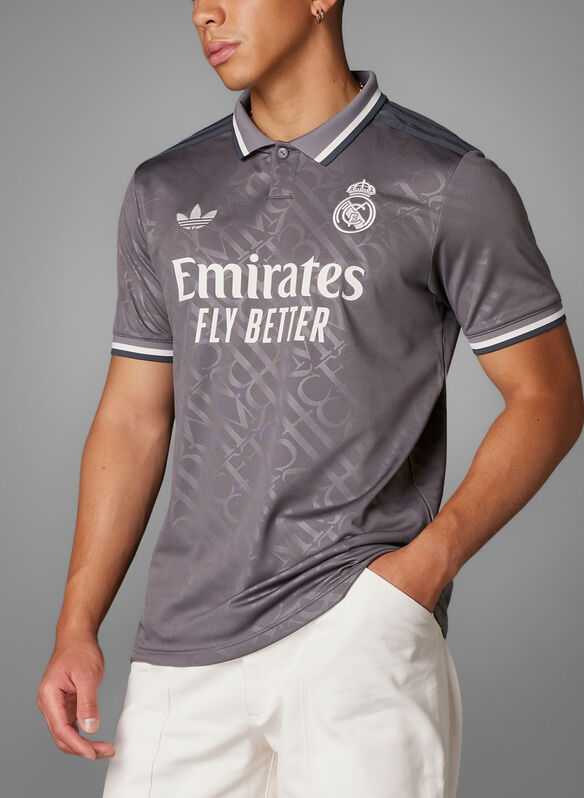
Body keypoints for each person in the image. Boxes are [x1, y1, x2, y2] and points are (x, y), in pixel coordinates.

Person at [36, 1, 583, 796]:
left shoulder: (445, 182)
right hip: (182, 646)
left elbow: (549, 394)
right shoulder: (164, 190)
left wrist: (423, 570)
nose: (204, 13)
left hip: (357, 630)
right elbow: (133, 418)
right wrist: (77, 622)